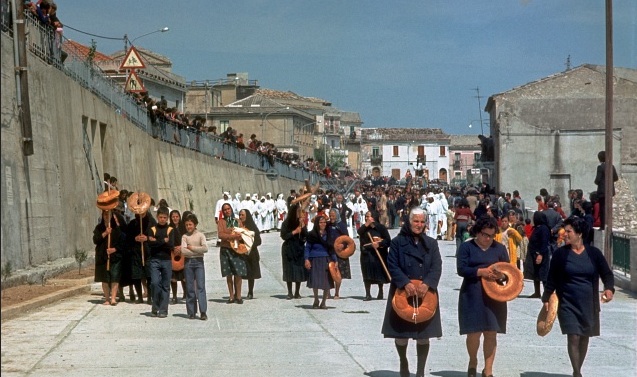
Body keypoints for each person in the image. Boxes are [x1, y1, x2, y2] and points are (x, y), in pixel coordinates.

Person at [542, 217, 615, 377]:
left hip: (589, 304)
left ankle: (578, 368)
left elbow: (607, 274)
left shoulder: (593, 253)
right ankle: (577, 372)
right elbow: (552, 278)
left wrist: (609, 289)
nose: (565, 234)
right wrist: (546, 298)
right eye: (565, 231)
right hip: (567, 302)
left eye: (569, 231)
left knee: (584, 337)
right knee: (573, 336)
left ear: (579, 234)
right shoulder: (561, 254)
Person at [381, 207, 442, 377]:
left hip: (425, 294)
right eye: (416, 221)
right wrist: (405, 282)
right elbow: (392, 265)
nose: (419, 225)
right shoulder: (397, 243)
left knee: (424, 336)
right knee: (401, 336)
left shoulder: (431, 243)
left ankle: (421, 371)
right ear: (409, 222)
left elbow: (437, 267)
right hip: (402, 292)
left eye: (422, 222)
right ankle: (403, 362)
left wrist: (428, 283)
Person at [457, 216, 509, 377]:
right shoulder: (467, 247)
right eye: (485, 235)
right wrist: (480, 272)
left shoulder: (499, 249)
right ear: (477, 232)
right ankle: (473, 361)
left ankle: (488, 369)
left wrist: (500, 275)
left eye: (492, 236)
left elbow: (508, 272)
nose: (488, 239)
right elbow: (461, 269)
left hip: (495, 296)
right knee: (473, 332)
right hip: (472, 293)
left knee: (491, 331)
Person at [146, 207, 175, 318]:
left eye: (164, 217)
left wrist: (156, 241)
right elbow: (150, 244)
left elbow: (171, 245)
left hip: (166, 260)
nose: (162, 219)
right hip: (155, 260)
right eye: (160, 217)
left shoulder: (170, 230)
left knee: (165, 286)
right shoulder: (152, 229)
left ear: (167, 218)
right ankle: (155, 306)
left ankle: (163, 310)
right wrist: (163, 241)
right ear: (157, 217)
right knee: (154, 283)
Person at [93, 210, 126, 306]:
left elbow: (122, 243)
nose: (107, 217)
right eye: (105, 215)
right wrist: (105, 233)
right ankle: (107, 298)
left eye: (109, 215)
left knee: (115, 277)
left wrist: (114, 249)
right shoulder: (99, 228)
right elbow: (96, 240)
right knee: (104, 278)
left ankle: (113, 298)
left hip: (115, 257)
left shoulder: (117, 228)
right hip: (102, 256)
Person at [180, 213, 209, 320]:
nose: (188, 227)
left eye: (190, 224)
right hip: (188, 263)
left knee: (200, 287)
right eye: (187, 225)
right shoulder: (184, 236)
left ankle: (203, 311)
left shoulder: (200, 235)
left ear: (195, 224)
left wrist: (192, 248)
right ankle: (191, 311)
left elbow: (205, 249)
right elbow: (183, 250)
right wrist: (197, 250)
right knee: (190, 287)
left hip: (199, 263)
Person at [358, 211, 391, 301]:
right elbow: (359, 233)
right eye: (366, 216)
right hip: (367, 254)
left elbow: (388, 241)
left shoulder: (381, 228)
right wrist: (366, 224)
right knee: (366, 274)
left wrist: (379, 244)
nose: (366, 218)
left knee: (379, 274)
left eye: (368, 216)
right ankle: (368, 294)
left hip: (379, 254)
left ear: (373, 218)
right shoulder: (364, 229)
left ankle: (380, 291)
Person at [218, 203, 247, 304]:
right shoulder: (221, 222)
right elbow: (221, 234)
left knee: (238, 273)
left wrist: (239, 236)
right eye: (224, 209)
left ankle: (238, 295)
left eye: (228, 209)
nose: (227, 211)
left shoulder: (237, 221)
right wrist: (232, 237)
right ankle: (231, 296)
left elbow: (243, 232)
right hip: (226, 249)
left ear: (231, 209)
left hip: (236, 249)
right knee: (228, 273)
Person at [304, 216, 335, 309]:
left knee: (326, 282)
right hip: (315, 259)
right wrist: (306, 259)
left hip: (326, 259)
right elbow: (307, 247)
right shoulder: (312, 234)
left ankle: (324, 302)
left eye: (324, 222)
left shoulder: (328, 234)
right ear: (317, 224)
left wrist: (335, 260)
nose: (323, 224)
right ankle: (316, 299)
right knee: (315, 281)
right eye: (321, 222)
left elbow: (331, 248)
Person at [280, 203, 308, 299]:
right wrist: (294, 232)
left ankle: (297, 292)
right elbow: (284, 236)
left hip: (299, 248)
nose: (299, 214)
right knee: (289, 270)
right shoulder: (286, 223)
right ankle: (289, 292)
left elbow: (306, 236)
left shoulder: (301, 222)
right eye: (298, 212)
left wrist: (303, 227)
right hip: (289, 249)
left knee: (298, 270)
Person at [524, 211, 551, 298]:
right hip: (534, 254)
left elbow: (544, 243)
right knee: (536, 274)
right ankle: (537, 292)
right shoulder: (537, 228)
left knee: (543, 274)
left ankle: (546, 293)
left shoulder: (544, 229)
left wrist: (540, 255)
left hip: (541, 254)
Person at [327, 208, 350, 299]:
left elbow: (347, 238)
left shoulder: (341, 225)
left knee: (338, 273)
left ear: (337, 215)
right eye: (330, 215)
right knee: (328, 272)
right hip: (329, 250)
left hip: (339, 252)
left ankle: (337, 292)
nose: (331, 217)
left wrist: (343, 245)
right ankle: (327, 292)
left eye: (333, 215)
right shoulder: (328, 225)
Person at [239, 209, 262, 299]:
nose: (241, 217)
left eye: (242, 215)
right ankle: (237, 293)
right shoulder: (238, 226)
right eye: (240, 215)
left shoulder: (253, 227)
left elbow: (259, 241)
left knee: (251, 273)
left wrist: (249, 245)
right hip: (241, 253)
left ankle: (250, 292)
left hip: (251, 253)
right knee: (238, 273)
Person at [594, 150, 619, 230]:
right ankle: (609, 224)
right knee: (608, 208)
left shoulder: (600, 167)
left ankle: (603, 226)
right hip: (610, 191)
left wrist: (599, 182)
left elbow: (597, 180)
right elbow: (616, 178)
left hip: (602, 191)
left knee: (602, 209)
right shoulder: (612, 166)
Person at [168, 210, 186, 304]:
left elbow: (187, 239)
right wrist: (173, 248)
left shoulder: (184, 227)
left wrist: (181, 247)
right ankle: (174, 296)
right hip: (172, 254)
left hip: (183, 253)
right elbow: (167, 240)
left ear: (179, 217)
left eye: (177, 216)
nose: (175, 218)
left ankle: (185, 293)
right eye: (173, 216)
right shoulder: (169, 228)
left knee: (184, 276)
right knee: (173, 277)